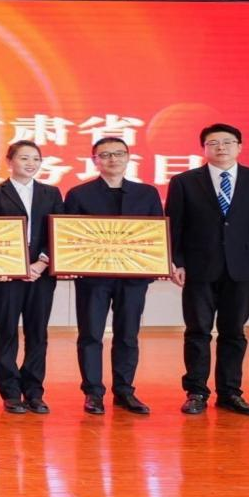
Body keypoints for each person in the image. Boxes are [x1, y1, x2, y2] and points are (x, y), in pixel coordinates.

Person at [166, 123, 249, 417]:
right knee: (197, 332)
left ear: (239, 146)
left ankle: (230, 393)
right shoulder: (184, 182)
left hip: (241, 268)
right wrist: (176, 262)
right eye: (213, 143)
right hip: (198, 269)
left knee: (234, 332)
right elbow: (174, 227)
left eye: (227, 142)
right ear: (204, 149)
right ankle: (196, 392)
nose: (221, 147)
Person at [64, 137, 163, 415]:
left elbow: (157, 233)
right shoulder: (78, 194)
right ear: (94, 160)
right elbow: (68, 235)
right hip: (92, 278)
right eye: (105, 155)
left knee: (128, 335)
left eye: (119, 154)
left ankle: (124, 391)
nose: (113, 159)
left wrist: (155, 266)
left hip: (133, 278)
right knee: (90, 335)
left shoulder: (147, 193)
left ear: (128, 157)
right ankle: (93, 393)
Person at [0, 140, 64, 415]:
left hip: (41, 275)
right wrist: (13, 266)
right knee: (6, 331)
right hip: (7, 275)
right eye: (24, 158)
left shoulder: (51, 193)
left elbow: (58, 231)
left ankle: (34, 392)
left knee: (37, 333)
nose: (30, 163)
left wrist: (41, 263)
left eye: (36, 159)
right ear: (10, 161)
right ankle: (10, 392)